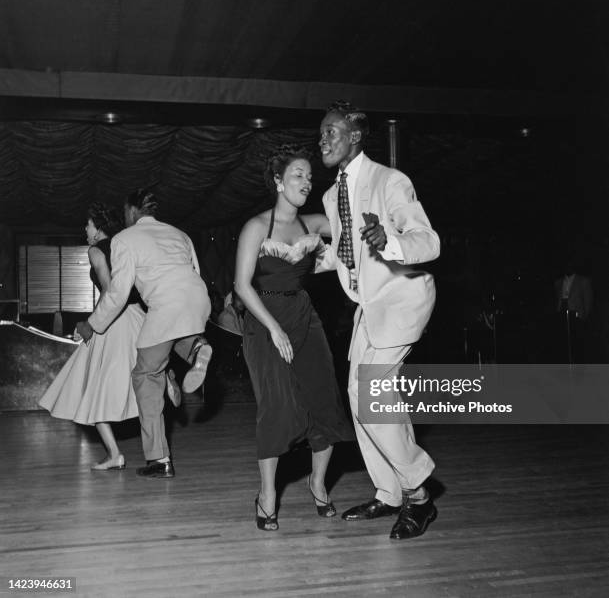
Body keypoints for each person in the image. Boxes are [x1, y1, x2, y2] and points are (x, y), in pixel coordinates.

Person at [319, 101, 441, 539]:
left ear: (355, 136)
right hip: (369, 305)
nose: (323, 140)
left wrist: (388, 240)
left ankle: (420, 495)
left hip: (403, 298)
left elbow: (427, 241)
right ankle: (389, 492)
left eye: (332, 131)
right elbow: (342, 255)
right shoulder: (333, 195)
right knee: (364, 400)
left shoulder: (389, 180)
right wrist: (296, 256)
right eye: (321, 134)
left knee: (368, 395)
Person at [235, 144, 352, 531]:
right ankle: (267, 495)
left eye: (309, 175)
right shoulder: (256, 227)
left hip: (304, 316)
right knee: (278, 407)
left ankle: (318, 484)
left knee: (325, 401)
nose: (307, 180)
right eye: (298, 174)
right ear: (278, 182)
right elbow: (241, 286)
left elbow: (353, 234)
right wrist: (273, 327)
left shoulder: (314, 224)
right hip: (264, 319)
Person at [76, 189, 212, 478]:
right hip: (197, 299)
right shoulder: (180, 233)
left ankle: (159, 459)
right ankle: (196, 348)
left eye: (126, 212)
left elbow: (118, 292)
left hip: (164, 305)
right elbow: (194, 274)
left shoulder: (126, 238)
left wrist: (92, 323)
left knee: (144, 375)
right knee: (170, 336)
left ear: (132, 211)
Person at [39, 202, 145, 470]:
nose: (84, 229)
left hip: (114, 321)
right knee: (143, 376)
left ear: (98, 228)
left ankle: (114, 454)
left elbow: (110, 292)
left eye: (87, 224)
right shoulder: (124, 245)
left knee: (93, 389)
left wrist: (89, 324)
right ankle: (167, 381)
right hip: (137, 317)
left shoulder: (96, 250)